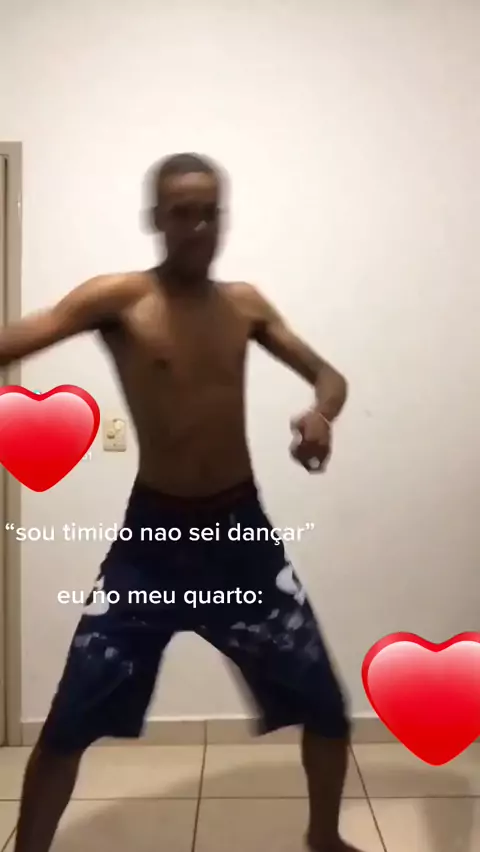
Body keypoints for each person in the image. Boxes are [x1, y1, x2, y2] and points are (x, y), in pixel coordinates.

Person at [0, 153, 363, 852]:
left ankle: (324, 838)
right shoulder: (119, 298)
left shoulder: (245, 305)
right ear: (156, 218)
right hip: (151, 546)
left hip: (241, 539)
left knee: (324, 704)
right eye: (182, 212)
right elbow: (23, 335)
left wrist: (321, 414)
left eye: (210, 213)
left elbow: (329, 375)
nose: (198, 227)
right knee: (71, 718)